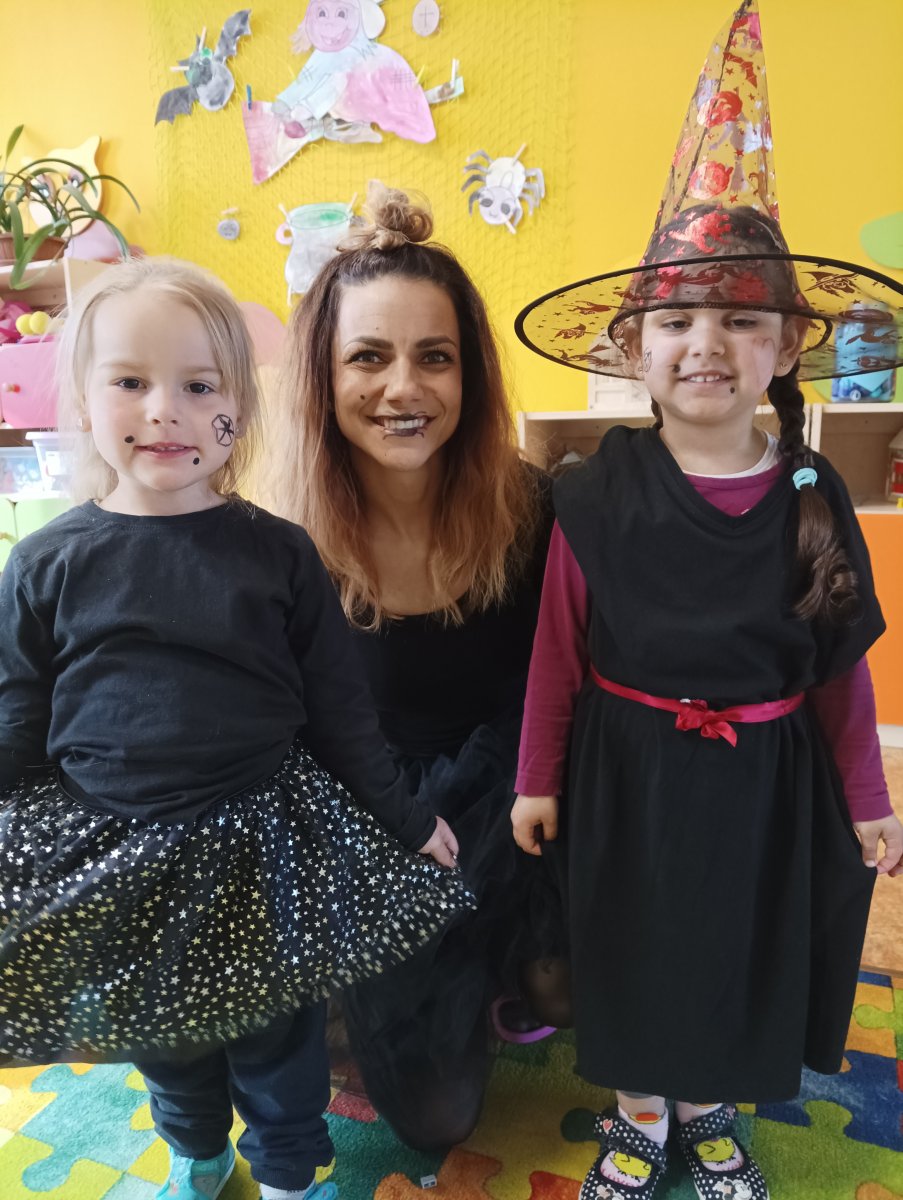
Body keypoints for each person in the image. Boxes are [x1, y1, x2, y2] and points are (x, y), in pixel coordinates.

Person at [510, 4, 903, 1198]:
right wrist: (535, 776)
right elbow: (558, 652)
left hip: (764, 782)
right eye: (677, 320)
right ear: (635, 347)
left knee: (735, 946)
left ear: (785, 345)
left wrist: (868, 797)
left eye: (740, 320)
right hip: (625, 773)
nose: (706, 344)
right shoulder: (595, 494)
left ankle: (708, 1106)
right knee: (631, 945)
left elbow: (837, 669)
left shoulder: (810, 493)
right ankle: (639, 1112)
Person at [0, 256, 473, 1200]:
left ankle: (289, 1174)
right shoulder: (46, 562)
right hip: (115, 849)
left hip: (259, 842)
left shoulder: (279, 554)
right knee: (163, 1036)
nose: (164, 411)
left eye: (199, 386)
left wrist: (407, 818)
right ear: (84, 403)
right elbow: (17, 712)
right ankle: (197, 1152)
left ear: (240, 411)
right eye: (130, 382)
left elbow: (341, 714)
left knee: (276, 1040)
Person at [265, 182, 569, 1152]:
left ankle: (500, 964)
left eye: (434, 357)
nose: (404, 388)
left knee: (562, 987)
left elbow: (554, 689)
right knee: (437, 1119)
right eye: (369, 356)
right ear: (322, 376)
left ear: (468, 375)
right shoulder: (279, 543)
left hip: (507, 795)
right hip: (369, 810)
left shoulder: (530, 509)